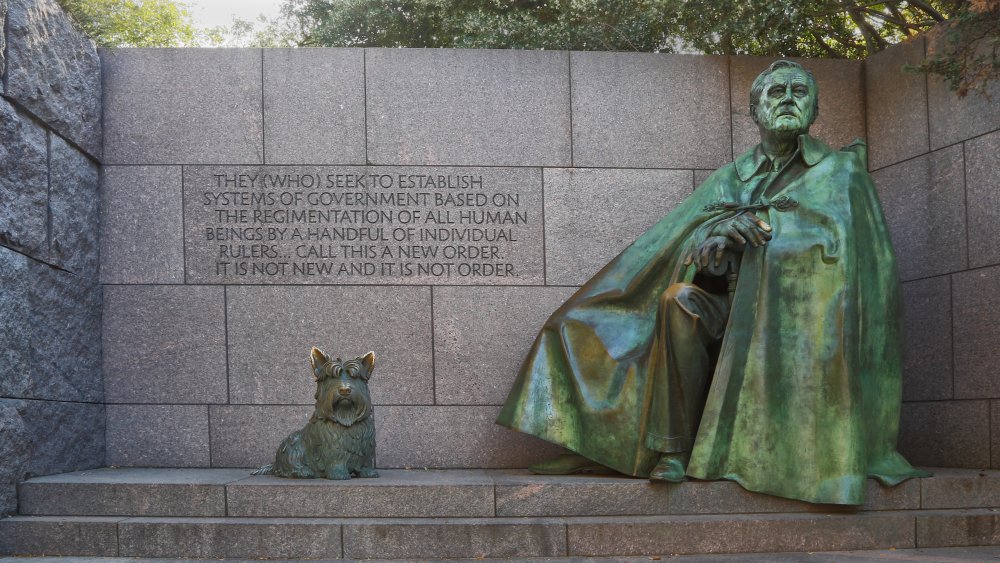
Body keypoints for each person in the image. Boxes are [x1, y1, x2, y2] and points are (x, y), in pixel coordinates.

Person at [496, 60, 928, 505]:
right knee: (675, 300)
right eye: (774, 92)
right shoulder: (731, 177)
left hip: (792, 322)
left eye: (798, 92)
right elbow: (681, 243)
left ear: (815, 108)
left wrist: (761, 231)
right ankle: (671, 449)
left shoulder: (840, 171)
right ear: (755, 111)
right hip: (727, 307)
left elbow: (853, 262)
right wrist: (712, 241)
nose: (786, 99)